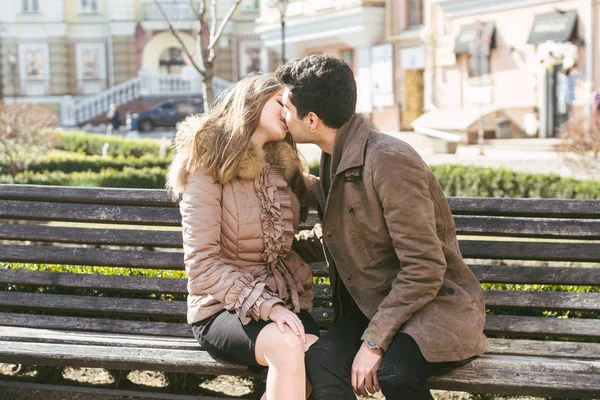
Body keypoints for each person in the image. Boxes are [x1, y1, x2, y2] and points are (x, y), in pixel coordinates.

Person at [279, 54, 488, 400]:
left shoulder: (387, 159)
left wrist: (374, 342)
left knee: (395, 373)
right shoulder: (335, 156)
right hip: (382, 305)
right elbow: (344, 233)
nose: (284, 118)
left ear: (312, 120)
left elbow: (425, 268)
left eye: (286, 108)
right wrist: (274, 247)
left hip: (435, 307)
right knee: (322, 360)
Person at [166, 74, 319, 400]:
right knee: (289, 346)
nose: (288, 110)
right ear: (253, 100)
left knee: (318, 355)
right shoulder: (207, 164)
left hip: (284, 304)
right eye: (281, 101)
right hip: (222, 309)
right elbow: (202, 265)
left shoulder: (281, 167)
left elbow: (286, 243)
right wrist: (269, 308)